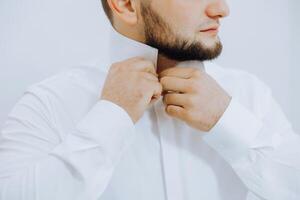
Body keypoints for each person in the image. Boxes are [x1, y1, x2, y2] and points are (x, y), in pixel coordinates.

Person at [0, 0, 299, 199]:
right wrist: (110, 117)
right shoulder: (50, 102)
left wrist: (231, 122)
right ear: (127, 5)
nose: (222, 8)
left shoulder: (250, 95)